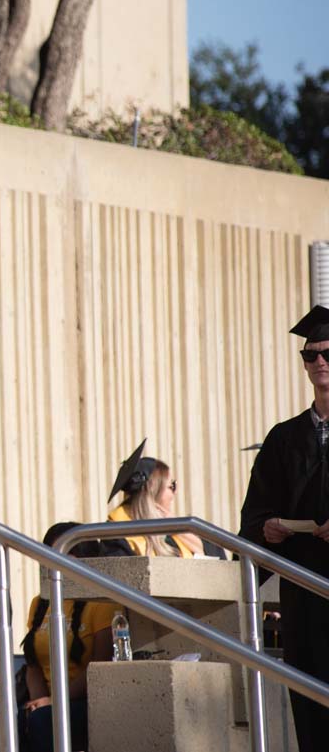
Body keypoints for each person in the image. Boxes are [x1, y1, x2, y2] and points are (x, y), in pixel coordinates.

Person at [239, 305, 329, 752]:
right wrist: (267, 529)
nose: (319, 363)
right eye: (309, 355)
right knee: (310, 708)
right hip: (303, 596)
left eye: (327, 353)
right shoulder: (284, 438)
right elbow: (252, 514)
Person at [20, 522, 128, 752]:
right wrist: (39, 701)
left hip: (88, 702)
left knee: (43, 721)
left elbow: (99, 666)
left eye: (60, 554)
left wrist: (54, 702)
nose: (50, 562)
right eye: (46, 553)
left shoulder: (102, 601)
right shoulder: (40, 602)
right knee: (16, 719)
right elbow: (32, 664)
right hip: (51, 701)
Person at [107, 440, 202, 557]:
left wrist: (175, 524)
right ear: (153, 493)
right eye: (172, 486)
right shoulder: (116, 536)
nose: (175, 493)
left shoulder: (174, 531)